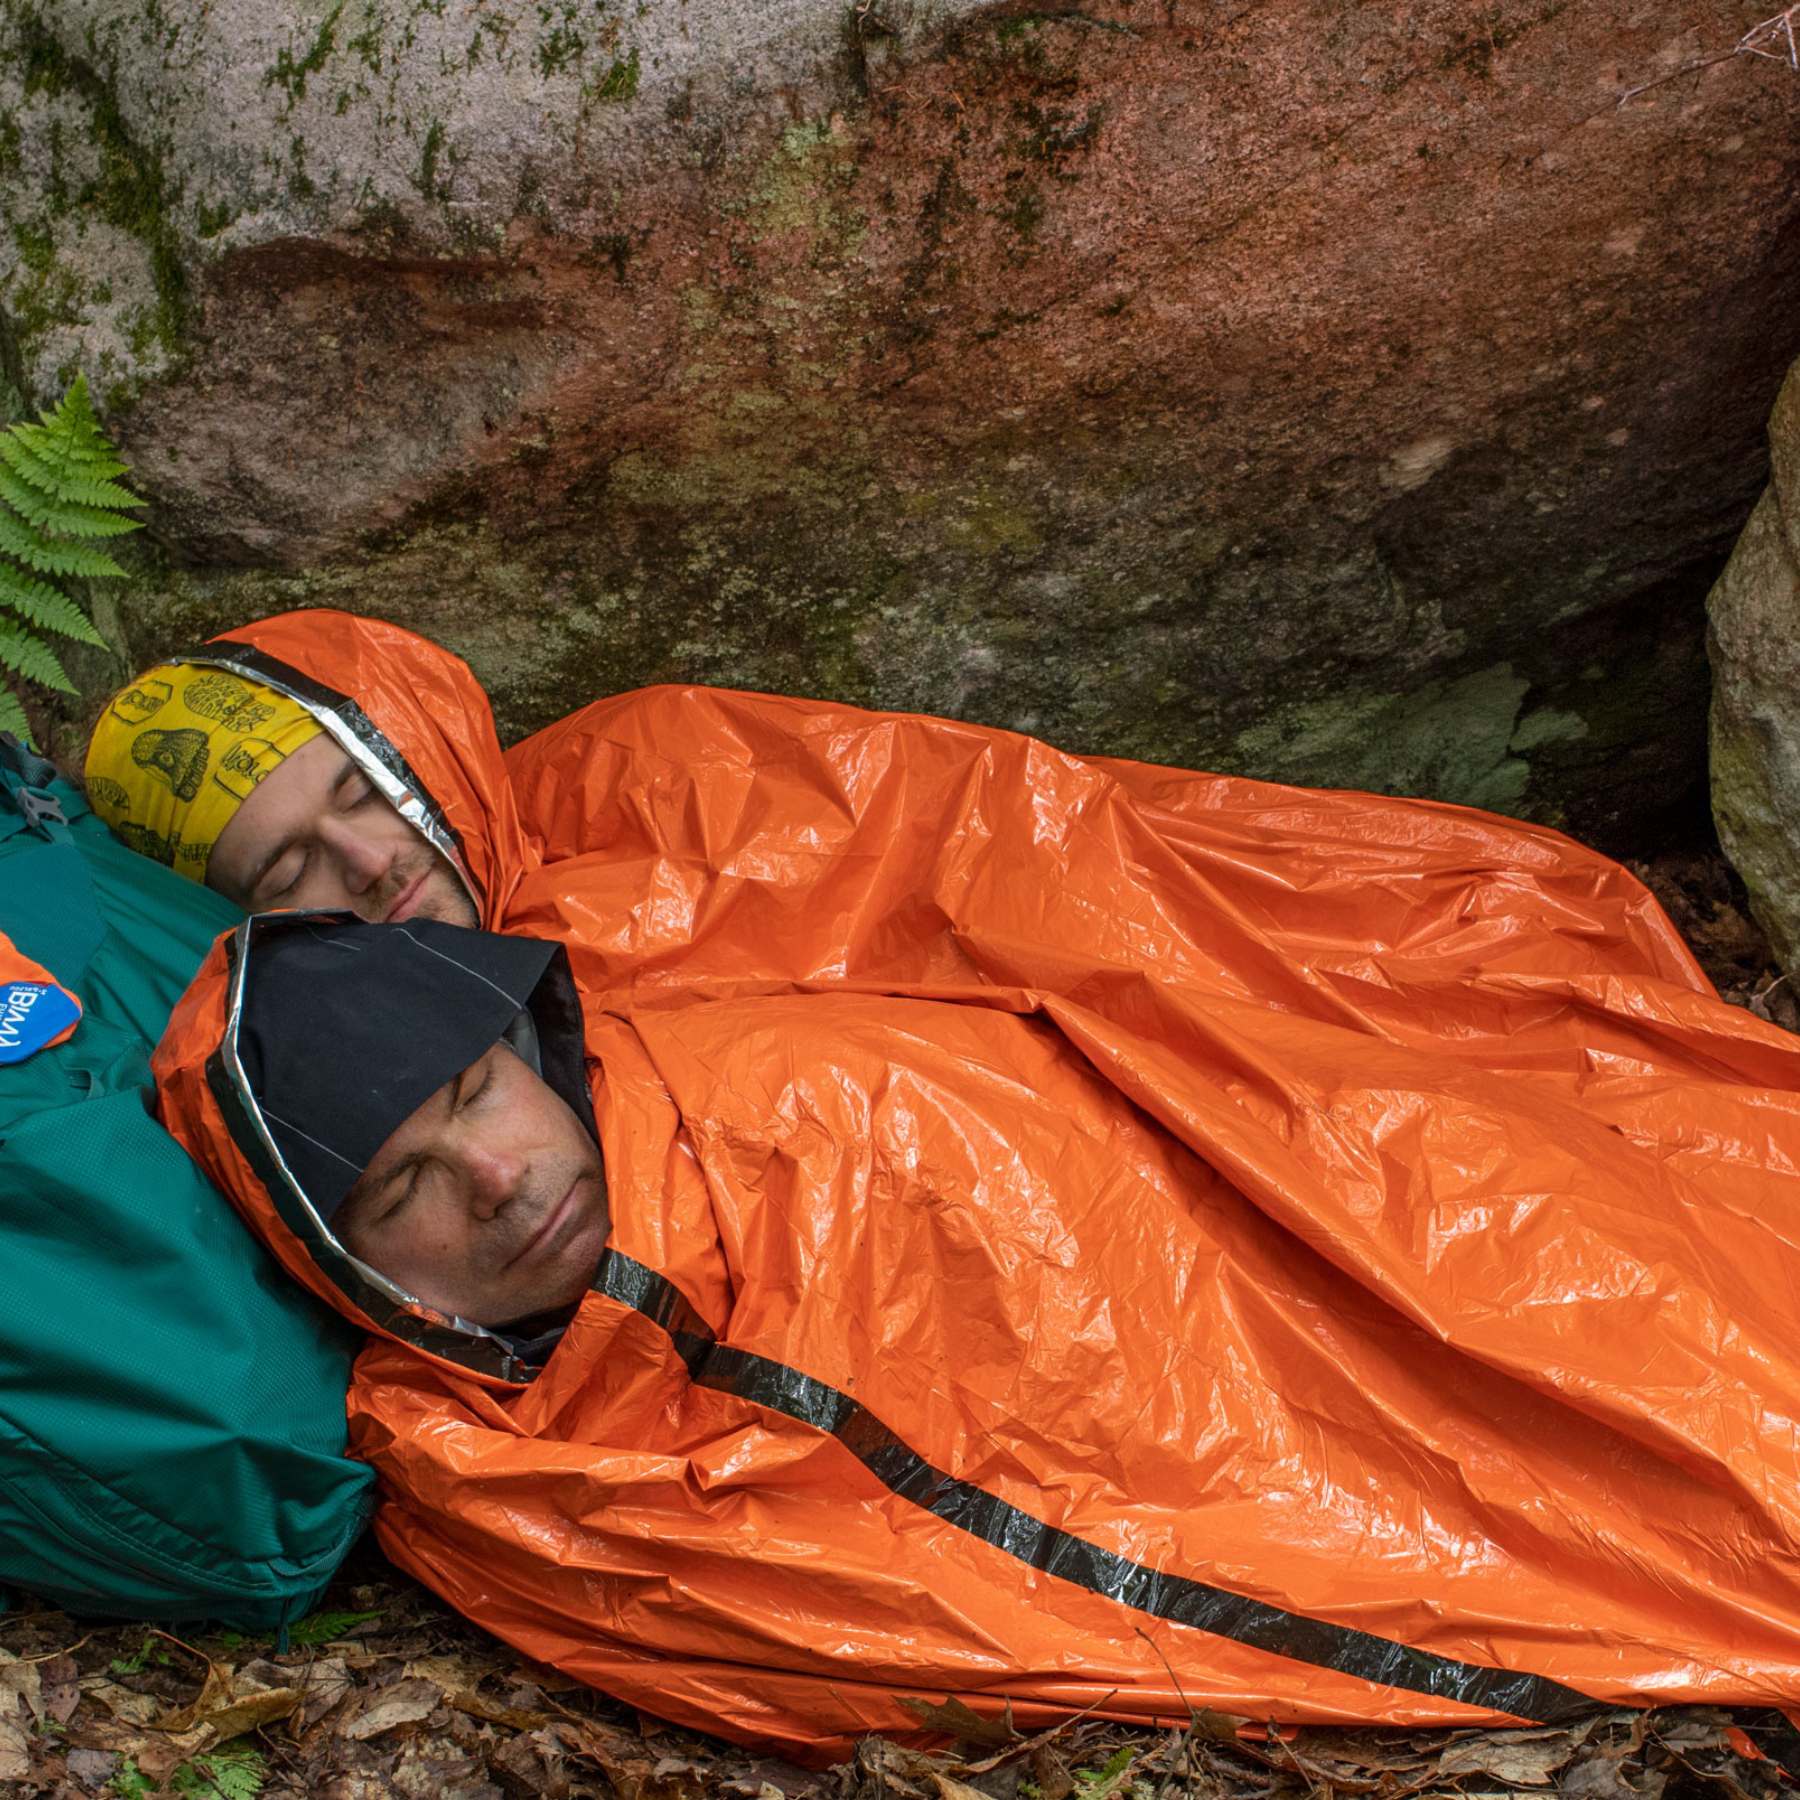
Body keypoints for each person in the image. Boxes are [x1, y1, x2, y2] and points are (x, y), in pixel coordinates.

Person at [155, 902, 1800, 1763]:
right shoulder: (497, 1489)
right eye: (408, 1194)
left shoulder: (776, 1094)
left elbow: (1103, 1214)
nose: (502, 1180)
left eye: (474, 1095)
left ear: (526, 1039)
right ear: (360, 1276)